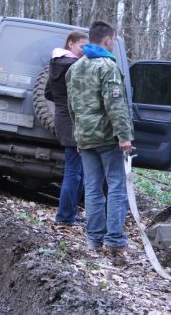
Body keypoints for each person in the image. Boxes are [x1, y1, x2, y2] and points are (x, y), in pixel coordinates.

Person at [66, 20, 134, 254]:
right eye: (113, 40)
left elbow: (72, 106)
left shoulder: (75, 68)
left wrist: (78, 137)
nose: (113, 44)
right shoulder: (107, 66)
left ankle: (94, 240)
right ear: (107, 40)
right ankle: (114, 240)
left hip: (85, 138)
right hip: (106, 137)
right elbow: (115, 104)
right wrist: (124, 136)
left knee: (93, 188)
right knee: (116, 186)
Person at [44, 30, 89, 225]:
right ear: (70, 43)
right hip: (75, 122)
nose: (84, 51)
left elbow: (47, 93)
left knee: (77, 170)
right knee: (74, 171)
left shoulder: (55, 63)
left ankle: (69, 213)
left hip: (63, 120)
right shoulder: (76, 66)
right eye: (82, 46)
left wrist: (62, 103)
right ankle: (64, 217)